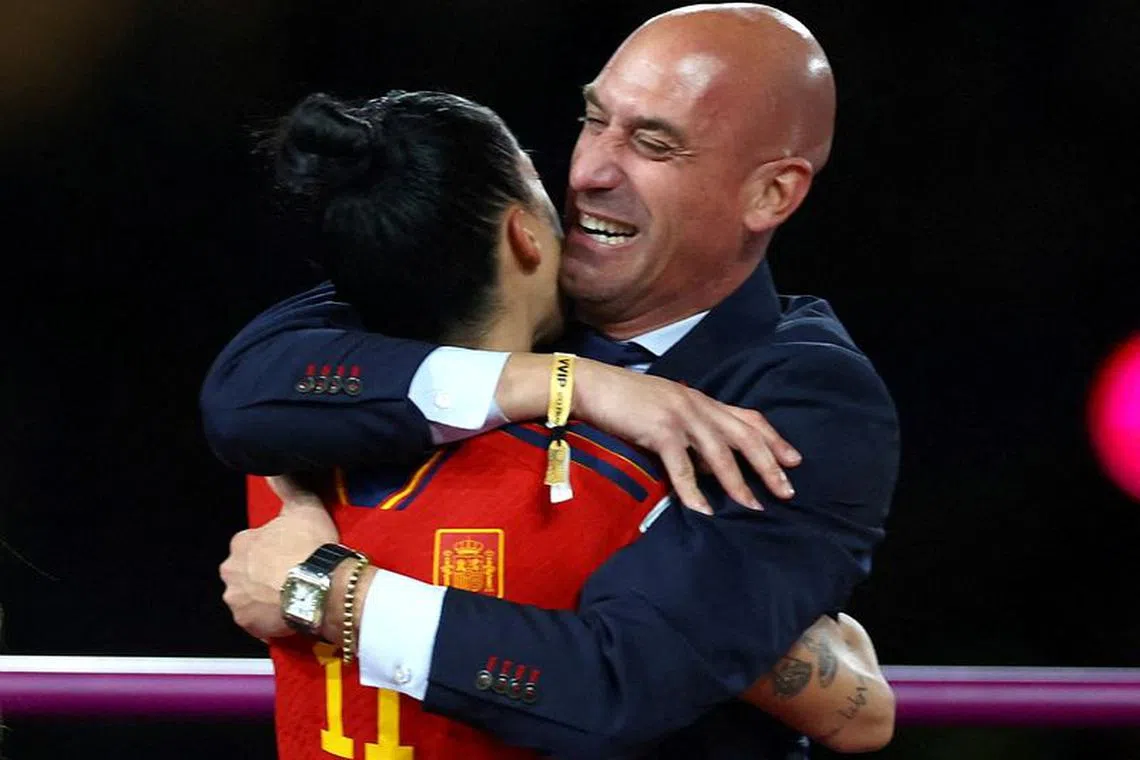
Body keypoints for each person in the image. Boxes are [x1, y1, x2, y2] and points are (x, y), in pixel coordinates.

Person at [207, 4, 900, 758]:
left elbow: (617, 686)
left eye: (653, 144)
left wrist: (332, 594)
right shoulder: (504, 281)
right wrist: (561, 381)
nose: (591, 172)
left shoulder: (808, 399)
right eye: (594, 119)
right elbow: (245, 390)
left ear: (771, 194)